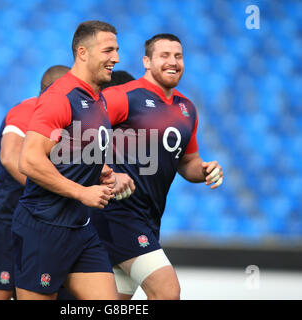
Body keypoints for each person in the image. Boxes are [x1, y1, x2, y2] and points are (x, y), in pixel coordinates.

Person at [91, 33, 224, 300]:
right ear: (147, 62)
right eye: (164, 55)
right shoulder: (122, 96)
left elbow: (188, 162)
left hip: (149, 217)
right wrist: (108, 172)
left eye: (178, 56)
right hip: (118, 212)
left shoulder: (186, 109)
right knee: (167, 290)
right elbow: (81, 137)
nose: (173, 62)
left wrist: (206, 169)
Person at [11, 20, 121, 300]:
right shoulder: (60, 97)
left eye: (117, 50)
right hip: (43, 228)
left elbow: (70, 152)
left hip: (81, 230)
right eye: (108, 50)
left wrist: (99, 171)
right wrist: (81, 191)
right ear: (82, 52)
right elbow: (29, 160)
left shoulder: (98, 99)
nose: (116, 59)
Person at [0, 65, 70, 300]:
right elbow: (10, 157)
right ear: (54, 92)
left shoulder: (72, 121)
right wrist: (62, 190)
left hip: (43, 230)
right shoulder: (29, 110)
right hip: (0, 226)